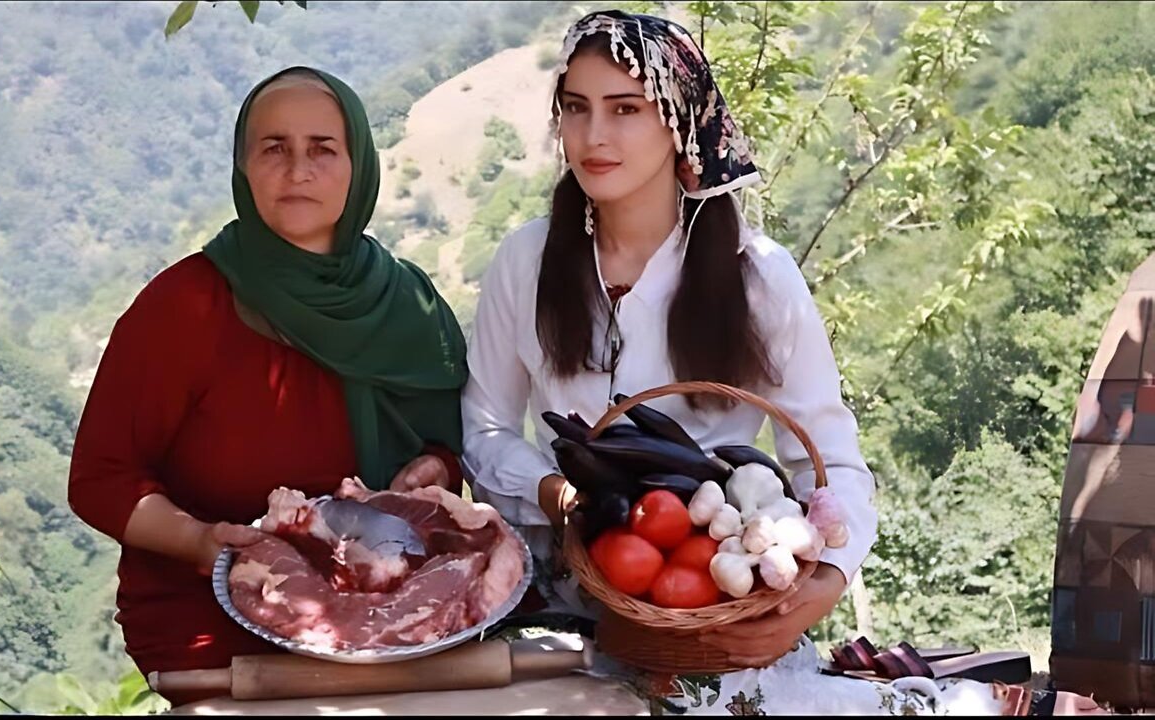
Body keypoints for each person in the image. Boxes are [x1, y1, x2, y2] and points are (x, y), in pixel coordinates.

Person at [461, 8, 876, 671]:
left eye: (625, 109)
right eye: (576, 108)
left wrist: (820, 586)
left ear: (679, 122)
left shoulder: (758, 276)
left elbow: (833, 462)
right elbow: (483, 430)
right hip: (559, 610)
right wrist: (556, 494)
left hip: (719, 598)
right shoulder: (526, 261)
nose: (594, 134)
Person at [67, 66, 467, 706]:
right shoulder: (184, 307)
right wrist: (199, 543)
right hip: (217, 629)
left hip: (396, 614)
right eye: (274, 148)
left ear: (358, 164)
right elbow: (101, 478)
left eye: (322, 149)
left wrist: (435, 470)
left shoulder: (409, 305)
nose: (297, 168)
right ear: (243, 166)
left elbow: (450, 443)